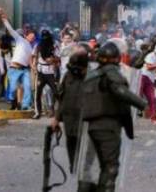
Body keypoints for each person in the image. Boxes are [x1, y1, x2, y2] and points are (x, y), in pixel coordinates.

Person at [80, 42, 147, 191]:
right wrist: (142, 104)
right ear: (117, 59)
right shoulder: (112, 74)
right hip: (107, 127)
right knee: (110, 167)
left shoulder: (89, 76)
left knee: (86, 168)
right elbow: (121, 95)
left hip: (87, 128)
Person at [51, 44, 90, 175]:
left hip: (86, 119)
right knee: (71, 143)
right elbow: (61, 97)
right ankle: (74, 166)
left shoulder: (94, 76)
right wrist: (56, 119)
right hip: (69, 118)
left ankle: (84, 169)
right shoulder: (68, 75)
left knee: (84, 147)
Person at [0, 8, 33, 110]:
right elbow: (10, 29)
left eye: (33, 35)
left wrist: (33, 68)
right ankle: (14, 104)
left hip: (24, 69)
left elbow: (30, 60)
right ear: (25, 35)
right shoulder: (20, 40)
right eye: (30, 34)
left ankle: (22, 105)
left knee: (25, 88)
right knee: (13, 89)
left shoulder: (31, 48)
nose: (32, 36)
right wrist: (3, 16)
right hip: (13, 68)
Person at [32, 30, 60, 119]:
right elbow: (34, 56)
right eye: (43, 37)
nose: (45, 39)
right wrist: (34, 67)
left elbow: (58, 58)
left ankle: (58, 110)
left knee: (55, 92)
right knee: (38, 93)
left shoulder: (54, 46)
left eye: (46, 37)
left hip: (50, 72)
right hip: (40, 72)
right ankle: (38, 112)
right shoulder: (38, 46)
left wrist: (52, 60)